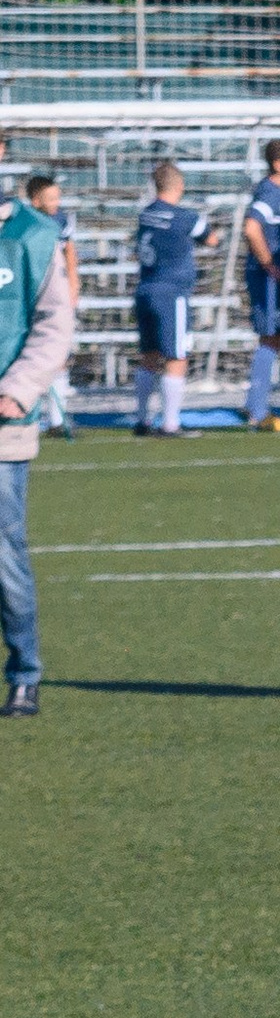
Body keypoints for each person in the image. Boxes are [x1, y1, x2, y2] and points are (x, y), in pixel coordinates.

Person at [0, 173, 72, 717]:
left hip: (2, 421)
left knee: (4, 555)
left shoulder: (32, 234)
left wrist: (18, 390)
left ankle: (25, 673)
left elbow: (54, 323)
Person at [131, 160, 215, 437]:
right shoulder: (184, 217)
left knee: (149, 356)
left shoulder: (145, 214)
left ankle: (142, 420)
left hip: (145, 289)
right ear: (180, 185)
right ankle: (170, 423)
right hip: (171, 292)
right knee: (176, 356)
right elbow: (211, 238)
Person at [241, 140, 280, 433]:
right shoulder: (270, 192)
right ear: (278, 164)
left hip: (271, 277)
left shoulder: (277, 193)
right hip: (266, 277)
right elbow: (251, 227)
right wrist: (268, 263)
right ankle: (258, 410)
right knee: (270, 336)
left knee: (278, 335)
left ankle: (254, 402)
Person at [20, 172, 77, 434]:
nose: (56, 202)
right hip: (28, 293)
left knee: (57, 351)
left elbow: (69, 253)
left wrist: (73, 287)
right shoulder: (24, 222)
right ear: (35, 199)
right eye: (50, 197)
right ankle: (25, 410)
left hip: (54, 295)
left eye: (58, 196)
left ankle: (57, 419)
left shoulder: (61, 221)